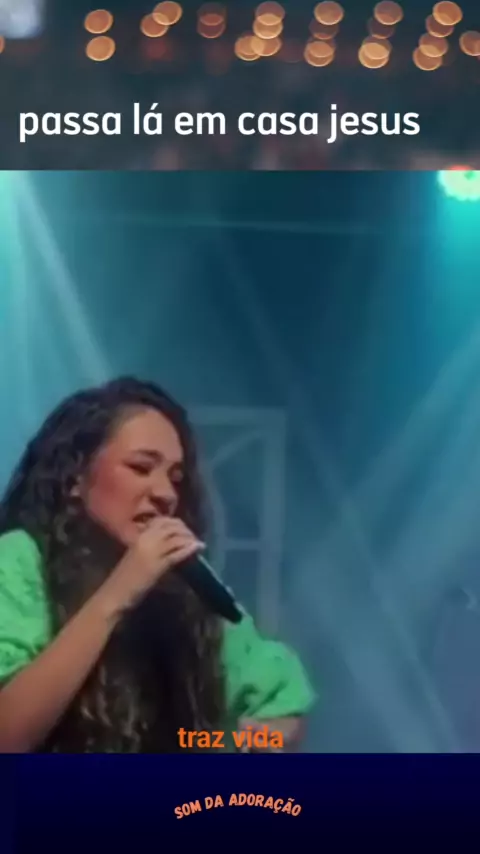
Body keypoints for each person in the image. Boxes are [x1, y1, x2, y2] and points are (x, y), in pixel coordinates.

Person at [0, 377, 315, 753]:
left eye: (175, 478)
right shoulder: (20, 561)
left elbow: (281, 705)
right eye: (141, 467)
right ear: (75, 479)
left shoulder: (185, 590)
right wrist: (120, 591)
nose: (166, 494)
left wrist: (257, 740)